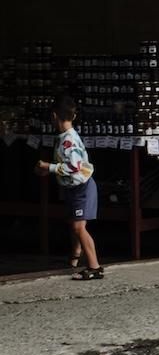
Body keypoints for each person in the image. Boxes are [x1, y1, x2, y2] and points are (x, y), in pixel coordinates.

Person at [35, 97, 101, 280]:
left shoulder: (68, 140)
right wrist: (49, 170)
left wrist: (48, 167)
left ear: (54, 116)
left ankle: (94, 267)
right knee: (74, 224)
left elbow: (74, 166)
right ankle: (74, 259)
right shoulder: (64, 137)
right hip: (74, 187)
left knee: (79, 227)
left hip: (82, 187)